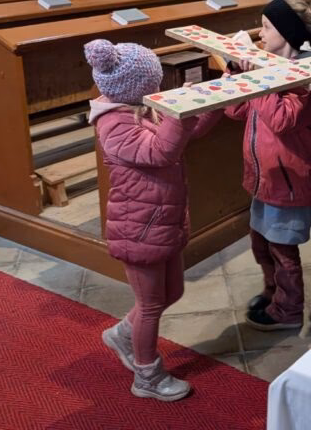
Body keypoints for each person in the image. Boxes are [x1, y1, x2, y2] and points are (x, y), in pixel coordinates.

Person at [86, 38, 221, 401]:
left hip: (162, 220)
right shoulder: (113, 123)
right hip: (138, 227)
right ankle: (146, 376)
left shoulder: (143, 108)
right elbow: (160, 151)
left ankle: (122, 335)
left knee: (171, 292)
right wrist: (180, 112)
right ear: (137, 87)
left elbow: (187, 133)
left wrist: (212, 102)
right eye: (155, 83)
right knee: (149, 306)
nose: (160, 88)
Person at [226, 0, 311, 330]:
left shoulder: (306, 76)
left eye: (267, 27)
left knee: (283, 249)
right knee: (261, 241)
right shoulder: (268, 65)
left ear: (286, 33)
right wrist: (236, 72)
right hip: (264, 176)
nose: (260, 33)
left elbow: (283, 120)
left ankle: (289, 310)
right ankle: (273, 293)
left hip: (290, 179)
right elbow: (236, 110)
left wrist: (258, 76)